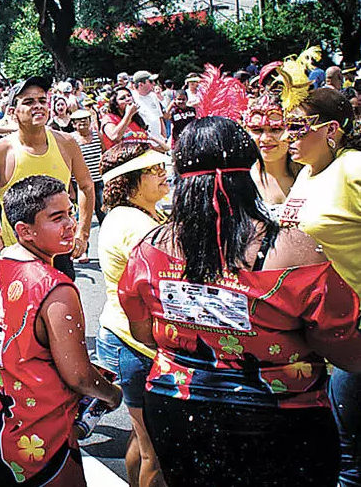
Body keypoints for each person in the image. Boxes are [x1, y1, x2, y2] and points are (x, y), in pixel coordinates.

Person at [119, 116, 361, 487]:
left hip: (177, 407)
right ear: (248, 172)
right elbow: (344, 347)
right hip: (279, 417)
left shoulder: (149, 249)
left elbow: (146, 334)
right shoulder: (293, 251)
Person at [0, 174, 122, 487]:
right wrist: (111, 394)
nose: (71, 224)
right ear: (25, 231)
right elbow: (78, 375)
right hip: (37, 430)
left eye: (70, 213)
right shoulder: (56, 288)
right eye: (56, 217)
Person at [278, 87, 361, 485]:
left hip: (355, 329)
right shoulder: (309, 173)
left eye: (296, 126)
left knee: (348, 457)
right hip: (316, 329)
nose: (286, 136)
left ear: (331, 129)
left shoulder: (354, 168)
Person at [0, 75, 95, 280]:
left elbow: (86, 186)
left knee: (64, 306)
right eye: (29, 102)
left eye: (42, 100)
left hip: (59, 252)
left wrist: (82, 233)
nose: (38, 106)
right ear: (13, 112)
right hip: (17, 255)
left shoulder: (66, 143)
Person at [95, 142, 169, 487]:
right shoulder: (135, 225)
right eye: (153, 170)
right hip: (136, 343)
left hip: (127, 337)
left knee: (142, 437)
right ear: (129, 181)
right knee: (155, 447)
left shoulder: (140, 215)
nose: (162, 174)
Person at [242, 93, 300, 216]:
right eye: (257, 130)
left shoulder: (310, 175)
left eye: (276, 129)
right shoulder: (240, 181)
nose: (265, 138)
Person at [70, 108, 105, 226]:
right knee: (82, 214)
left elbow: (105, 153)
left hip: (98, 180)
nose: (82, 123)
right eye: (78, 121)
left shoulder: (97, 135)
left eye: (85, 120)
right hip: (80, 184)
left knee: (102, 210)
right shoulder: (71, 139)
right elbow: (68, 165)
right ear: (74, 124)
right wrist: (70, 187)